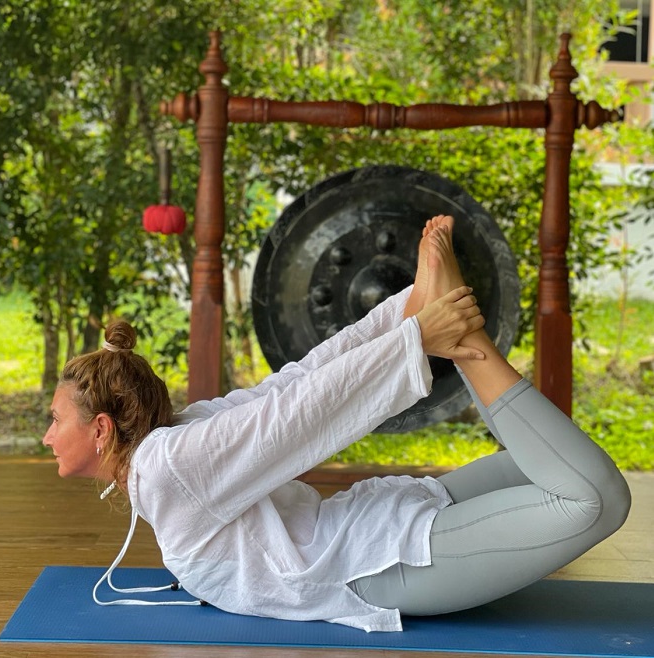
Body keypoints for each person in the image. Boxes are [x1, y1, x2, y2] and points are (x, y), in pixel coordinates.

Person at [43, 216, 631, 633]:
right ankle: (448, 322)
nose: (46, 437)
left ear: (99, 429)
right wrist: (407, 320)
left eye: (54, 420)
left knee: (595, 495)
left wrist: (417, 332)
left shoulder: (168, 464)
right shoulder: (173, 454)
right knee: (571, 471)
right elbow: (292, 392)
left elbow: (293, 408)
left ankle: (466, 342)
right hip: (371, 534)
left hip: (378, 565)